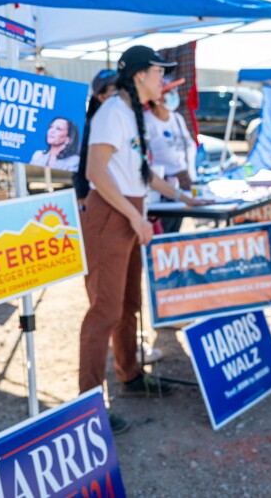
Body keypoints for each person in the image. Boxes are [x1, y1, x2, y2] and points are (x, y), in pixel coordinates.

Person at [79, 46, 206, 434]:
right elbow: (96, 172)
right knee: (104, 311)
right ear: (138, 76)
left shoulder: (132, 113)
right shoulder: (112, 113)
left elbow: (142, 173)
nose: (163, 80)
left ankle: (129, 375)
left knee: (129, 304)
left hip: (127, 214)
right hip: (109, 217)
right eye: (158, 72)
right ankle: (88, 407)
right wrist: (135, 217)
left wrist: (181, 195)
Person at [144, 76, 197, 233]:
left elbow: (189, 148)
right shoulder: (147, 122)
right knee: (164, 233)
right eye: (168, 91)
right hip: (161, 188)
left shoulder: (177, 119)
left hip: (183, 182)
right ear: (156, 97)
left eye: (174, 90)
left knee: (175, 230)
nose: (174, 94)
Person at [74, 69, 119, 207]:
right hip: (101, 199)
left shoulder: (125, 119)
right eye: (115, 90)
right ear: (101, 97)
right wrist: (82, 198)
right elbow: (81, 167)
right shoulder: (95, 125)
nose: (121, 94)